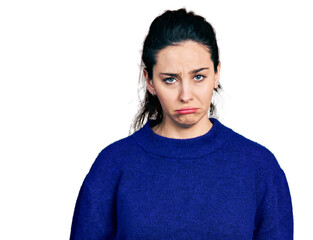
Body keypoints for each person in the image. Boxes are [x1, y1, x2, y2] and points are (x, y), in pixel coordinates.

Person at [70, 8, 293, 240]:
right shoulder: (112, 165)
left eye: (199, 77)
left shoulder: (259, 166)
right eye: (170, 79)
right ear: (150, 81)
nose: (186, 95)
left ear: (217, 73)